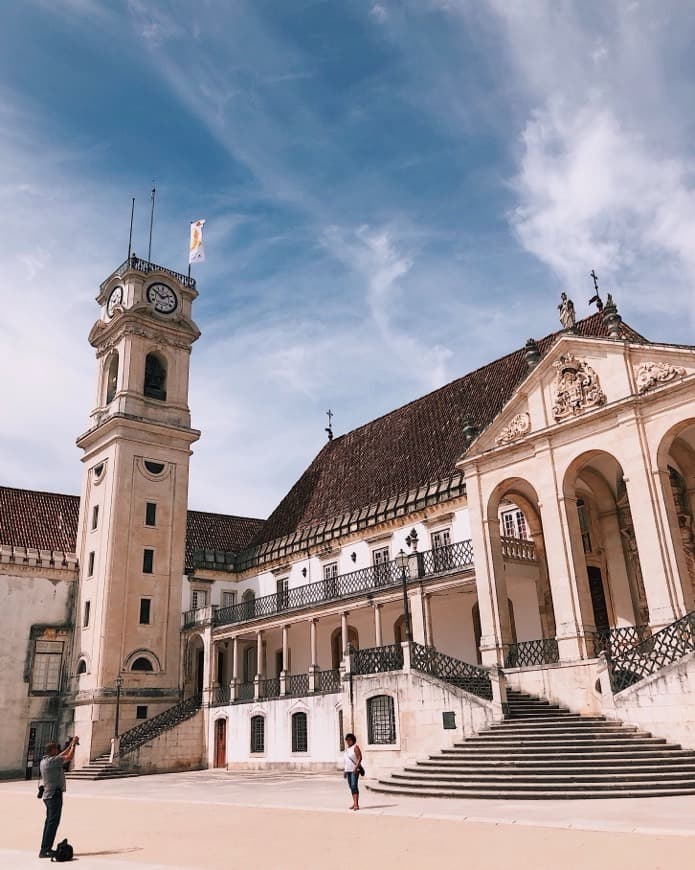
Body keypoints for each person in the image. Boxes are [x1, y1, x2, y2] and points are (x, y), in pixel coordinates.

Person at [38, 736, 78, 858]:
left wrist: (70, 744)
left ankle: (45, 848)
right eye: (56, 749)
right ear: (52, 751)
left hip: (48, 796)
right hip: (54, 795)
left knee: (49, 823)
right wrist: (74, 745)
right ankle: (45, 850)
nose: (58, 750)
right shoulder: (52, 762)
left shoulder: (46, 760)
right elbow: (69, 757)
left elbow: (61, 754)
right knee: (52, 823)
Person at [343, 733, 363, 811]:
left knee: (354, 785)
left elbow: (359, 758)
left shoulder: (355, 747)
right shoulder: (347, 750)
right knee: (351, 787)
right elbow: (346, 761)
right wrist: (344, 771)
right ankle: (354, 802)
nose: (348, 741)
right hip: (348, 770)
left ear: (353, 740)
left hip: (354, 770)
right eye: (347, 740)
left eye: (349, 740)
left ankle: (356, 804)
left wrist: (356, 768)